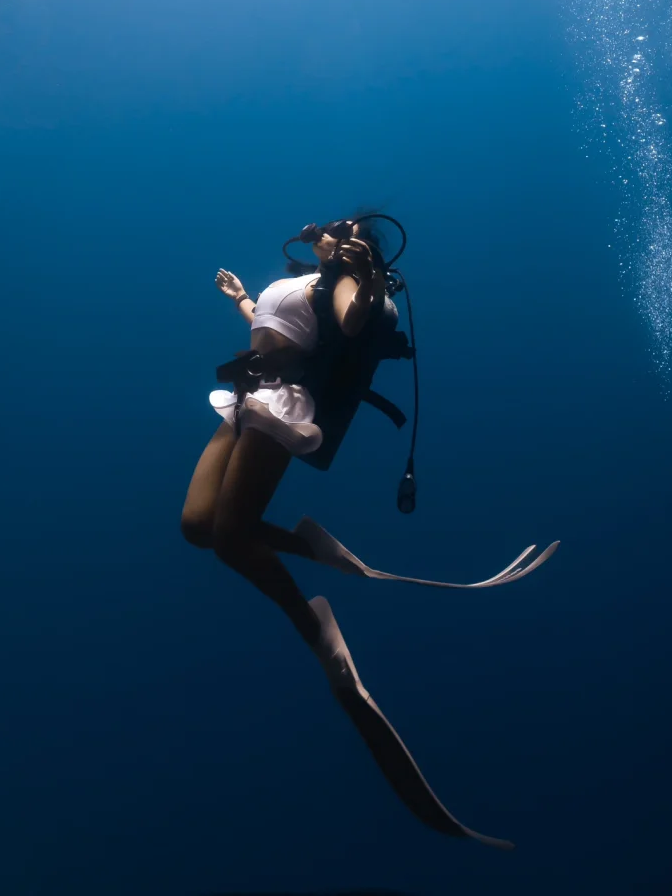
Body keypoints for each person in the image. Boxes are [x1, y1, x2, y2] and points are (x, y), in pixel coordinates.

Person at [180, 218, 557, 846]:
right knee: (199, 526)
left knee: (228, 539)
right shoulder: (309, 279)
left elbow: (352, 323)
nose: (330, 230)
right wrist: (242, 297)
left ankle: (318, 630)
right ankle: (313, 548)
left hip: (281, 406)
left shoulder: (355, 278)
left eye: (345, 228)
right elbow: (271, 322)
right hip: (250, 394)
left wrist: (357, 263)